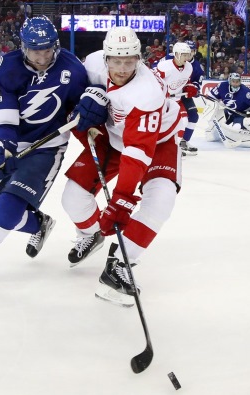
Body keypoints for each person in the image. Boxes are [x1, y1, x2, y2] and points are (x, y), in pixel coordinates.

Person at [0, 16, 92, 289]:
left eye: (47, 49)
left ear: (56, 45)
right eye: (35, 50)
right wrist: (2, 145)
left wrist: (86, 107)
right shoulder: (5, 68)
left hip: (47, 148)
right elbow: (4, 118)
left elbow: (81, 104)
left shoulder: (72, 69)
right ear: (23, 47)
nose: (41, 56)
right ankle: (39, 224)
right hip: (13, 143)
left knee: (6, 213)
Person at [61, 26, 186, 307]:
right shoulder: (93, 63)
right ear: (106, 57)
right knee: (72, 198)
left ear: (138, 58)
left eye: (129, 60)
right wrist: (83, 109)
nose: (121, 68)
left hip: (159, 143)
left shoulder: (146, 92)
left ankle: (119, 264)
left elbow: (139, 152)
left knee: (161, 201)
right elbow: (72, 91)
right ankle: (92, 236)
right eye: (116, 61)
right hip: (114, 138)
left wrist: (122, 199)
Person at [155, 41, 200, 157]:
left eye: (187, 54)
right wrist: (160, 94)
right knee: (161, 124)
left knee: (183, 121)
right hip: (162, 101)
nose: (187, 57)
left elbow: (186, 81)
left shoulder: (189, 67)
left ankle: (177, 145)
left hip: (176, 99)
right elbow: (153, 81)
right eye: (184, 55)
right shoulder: (164, 66)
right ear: (176, 54)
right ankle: (158, 145)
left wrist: (190, 87)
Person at [205, 72, 250, 148]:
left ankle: (248, 136)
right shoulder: (222, 86)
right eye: (233, 81)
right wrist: (215, 104)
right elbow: (211, 96)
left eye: (237, 81)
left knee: (236, 128)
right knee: (212, 129)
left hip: (241, 114)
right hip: (228, 111)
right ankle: (215, 133)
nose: (235, 83)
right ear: (229, 81)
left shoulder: (245, 92)